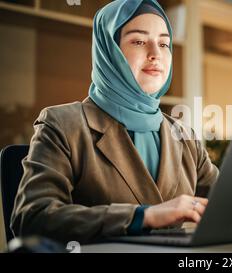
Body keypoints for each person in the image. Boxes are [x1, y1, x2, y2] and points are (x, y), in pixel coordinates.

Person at [11, 0, 219, 244]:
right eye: (139, 41)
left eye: (164, 43)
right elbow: (31, 217)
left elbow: (228, 204)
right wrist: (143, 216)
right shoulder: (62, 124)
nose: (156, 53)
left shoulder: (184, 135)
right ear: (109, 52)